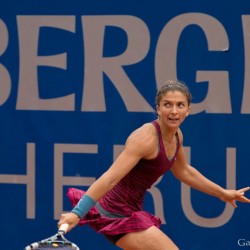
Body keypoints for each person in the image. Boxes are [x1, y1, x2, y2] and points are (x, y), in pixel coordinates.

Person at [58, 80, 250, 250]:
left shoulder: (176, 136)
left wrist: (223, 193)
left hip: (130, 212)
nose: (174, 111)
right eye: (168, 105)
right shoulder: (145, 138)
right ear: (158, 108)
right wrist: (77, 213)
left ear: (188, 110)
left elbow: (184, 171)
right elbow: (111, 178)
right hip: (115, 215)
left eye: (180, 105)